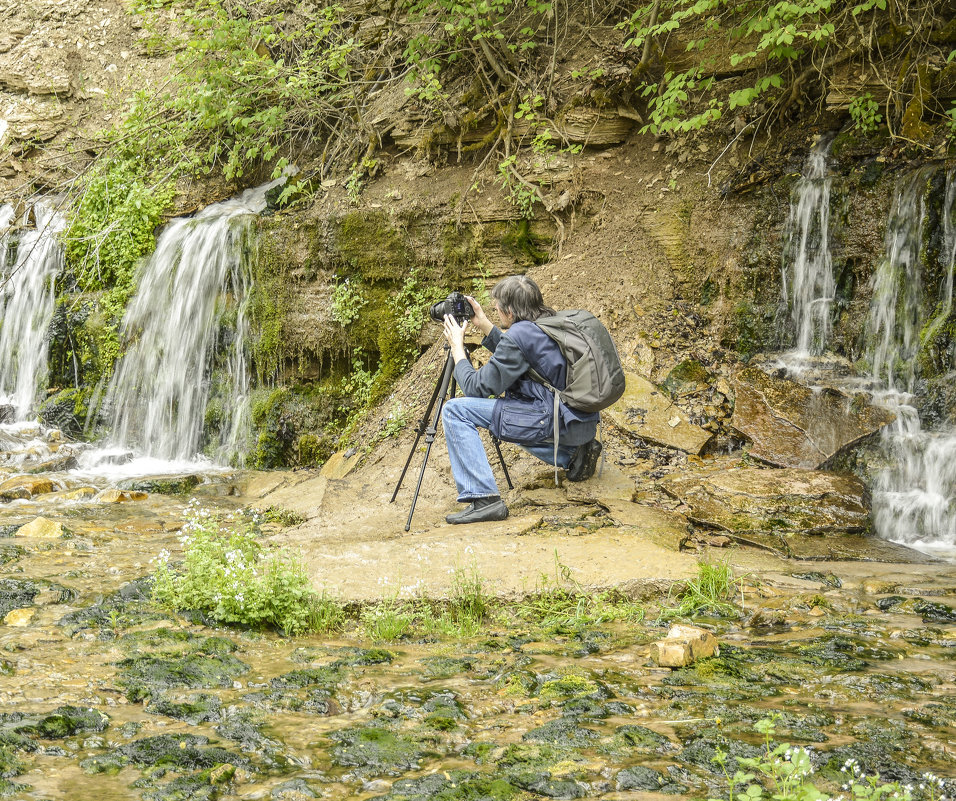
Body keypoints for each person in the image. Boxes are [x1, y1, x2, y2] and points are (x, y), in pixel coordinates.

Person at [441, 275, 604, 525]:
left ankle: (485, 499)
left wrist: (458, 351)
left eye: (497, 305)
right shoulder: (547, 322)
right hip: (577, 420)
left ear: (509, 311)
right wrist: (484, 324)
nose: (494, 308)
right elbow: (518, 354)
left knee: (455, 411)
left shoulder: (521, 336)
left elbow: (476, 387)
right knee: (512, 412)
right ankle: (574, 455)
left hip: (555, 418)